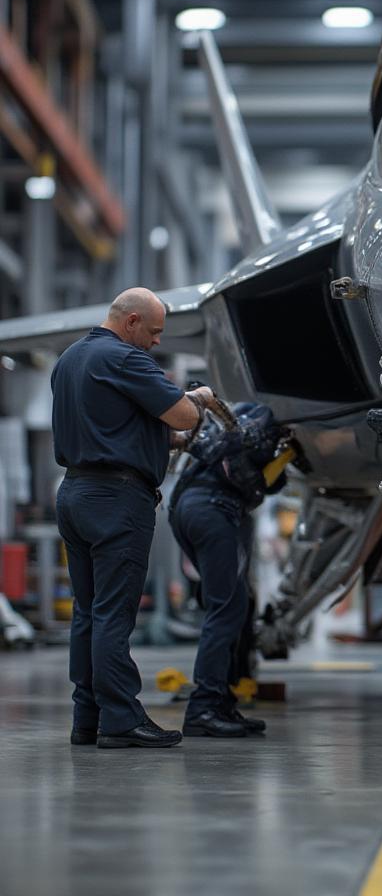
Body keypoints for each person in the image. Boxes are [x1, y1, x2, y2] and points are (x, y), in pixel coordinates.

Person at [51, 288, 214, 748]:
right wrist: (198, 397)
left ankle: (88, 717)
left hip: (75, 492)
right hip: (116, 500)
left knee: (87, 611)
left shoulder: (69, 360)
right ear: (131, 322)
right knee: (112, 614)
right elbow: (182, 416)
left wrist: (157, 440)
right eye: (155, 332)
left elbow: (110, 425)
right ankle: (121, 719)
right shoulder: (125, 359)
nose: (156, 342)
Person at [169, 403, 291, 738]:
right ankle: (204, 708)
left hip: (188, 507)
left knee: (228, 603)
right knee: (228, 607)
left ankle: (220, 702)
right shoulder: (265, 423)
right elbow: (270, 483)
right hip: (213, 509)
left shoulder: (237, 420)